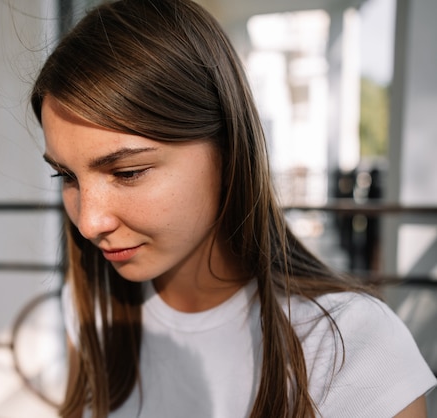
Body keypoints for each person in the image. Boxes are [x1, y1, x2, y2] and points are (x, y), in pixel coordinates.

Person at [29, 0, 436, 417]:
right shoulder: (93, 305)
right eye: (67, 177)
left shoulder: (351, 345)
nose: (89, 222)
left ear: (227, 151)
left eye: (128, 172)